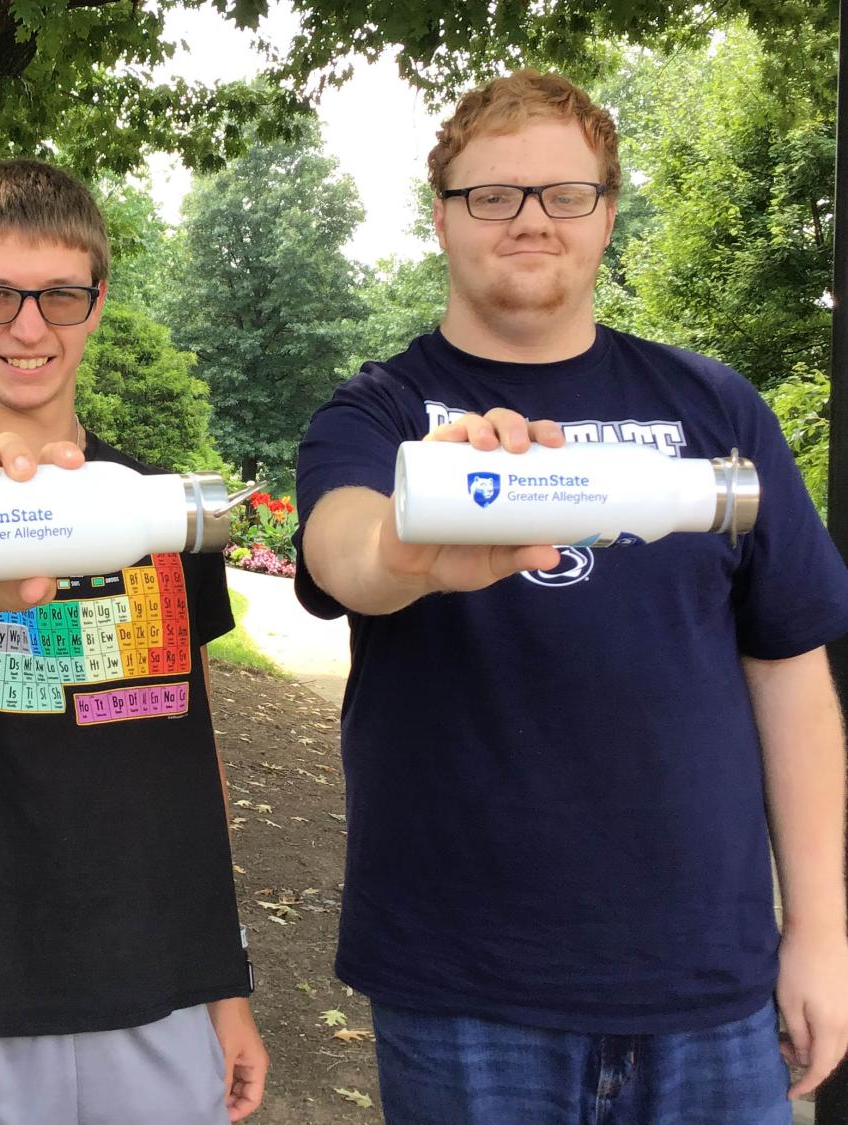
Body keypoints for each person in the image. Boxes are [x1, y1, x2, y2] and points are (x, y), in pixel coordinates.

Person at [294, 70, 848, 1124]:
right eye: (492, 195)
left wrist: (821, 930)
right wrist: (418, 543)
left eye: (565, 193)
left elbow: (789, 673)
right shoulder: (379, 412)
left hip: (710, 993)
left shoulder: (718, 409)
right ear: (442, 215)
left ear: (607, 208)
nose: (531, 221)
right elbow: (341, 552)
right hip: (462, 992)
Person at [0, 159, 267, 1125]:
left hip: (159, 992)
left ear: (96, 305)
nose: (29, 327)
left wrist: (224, 982)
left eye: (60, 296)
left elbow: (193, 760)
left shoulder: (161, 508)